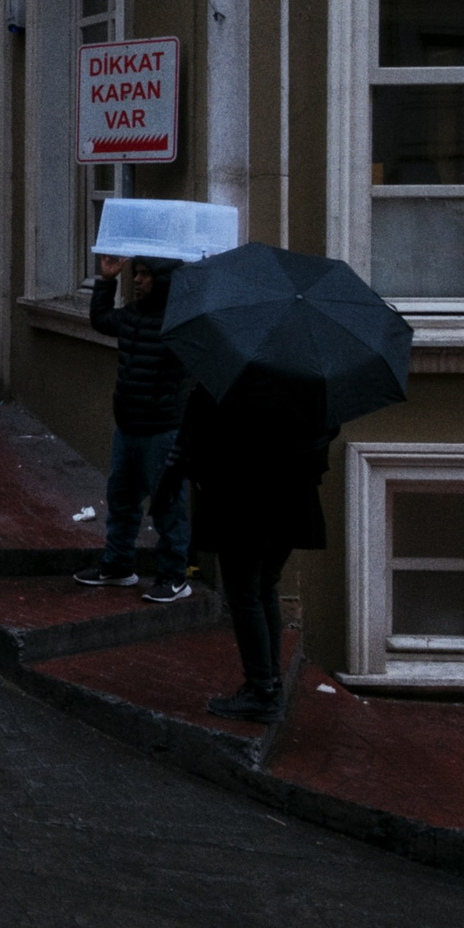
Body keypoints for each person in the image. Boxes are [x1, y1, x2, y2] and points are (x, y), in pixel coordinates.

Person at [158, 369, 337, 725]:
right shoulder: (311, 379)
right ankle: (268, 685)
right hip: (291, 502)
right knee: (264, 586)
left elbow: (197, 441)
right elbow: (323, 435)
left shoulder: (226, 380)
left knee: (244, 593)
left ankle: (262, 691)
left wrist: (172, 481)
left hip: (244, 503)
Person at [74, 255, 194, 601]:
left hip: (163, 432)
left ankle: (174, 577)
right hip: (127, 429)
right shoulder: (130, 317)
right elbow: (99, 319)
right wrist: (106, 280)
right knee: (121, 501)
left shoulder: (179, 324)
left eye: (145, 275)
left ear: (163, 281)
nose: (138, 281)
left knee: (168, 507)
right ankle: (118, 566)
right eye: (136, 274)